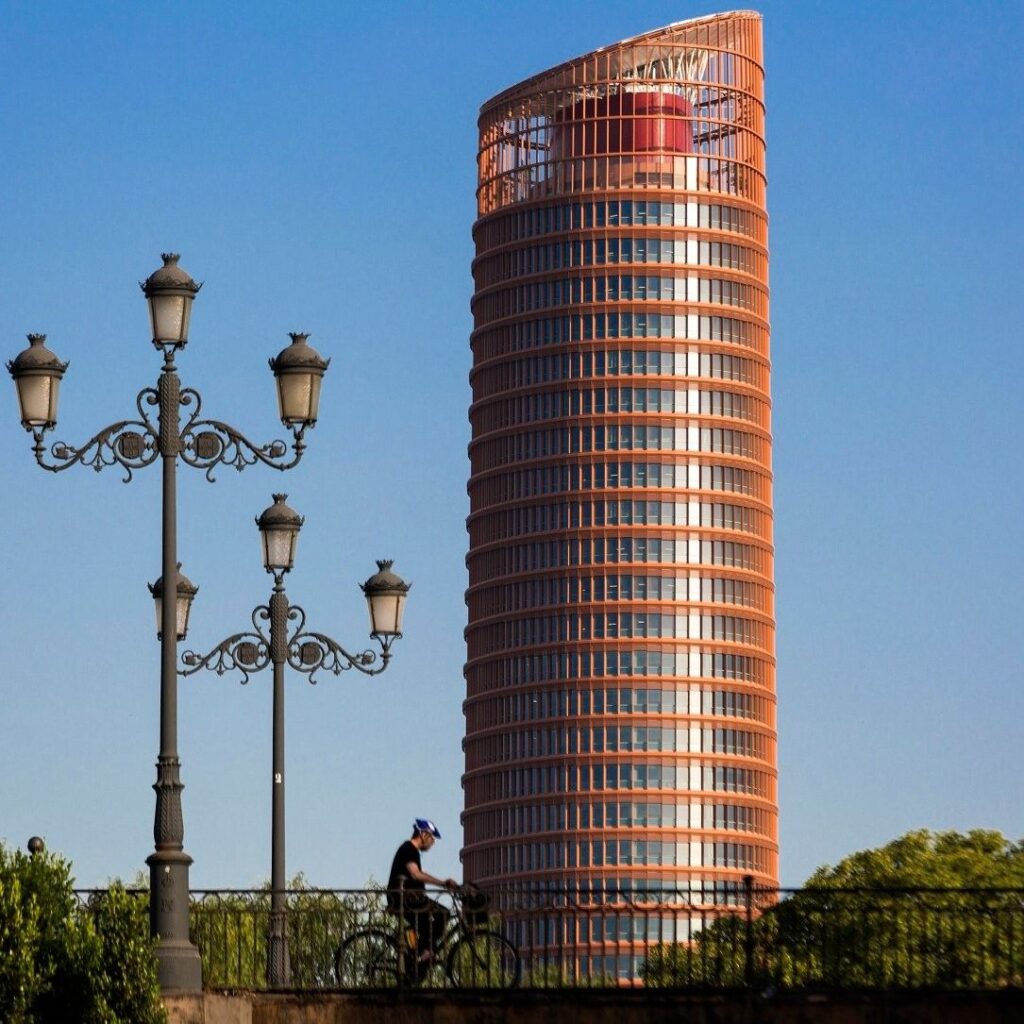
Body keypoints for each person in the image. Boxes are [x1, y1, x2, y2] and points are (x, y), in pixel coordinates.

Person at [387, 818, 458, 973]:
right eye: (432, 838)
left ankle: (415, 959)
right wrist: (443, 883)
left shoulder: (412, 851)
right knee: (442, 914)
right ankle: (425, 953)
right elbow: (416, 874)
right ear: (423, 834)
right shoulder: (409, 849)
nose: (433, 842)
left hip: (410, 898)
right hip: (406, 898)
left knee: (427, 925)